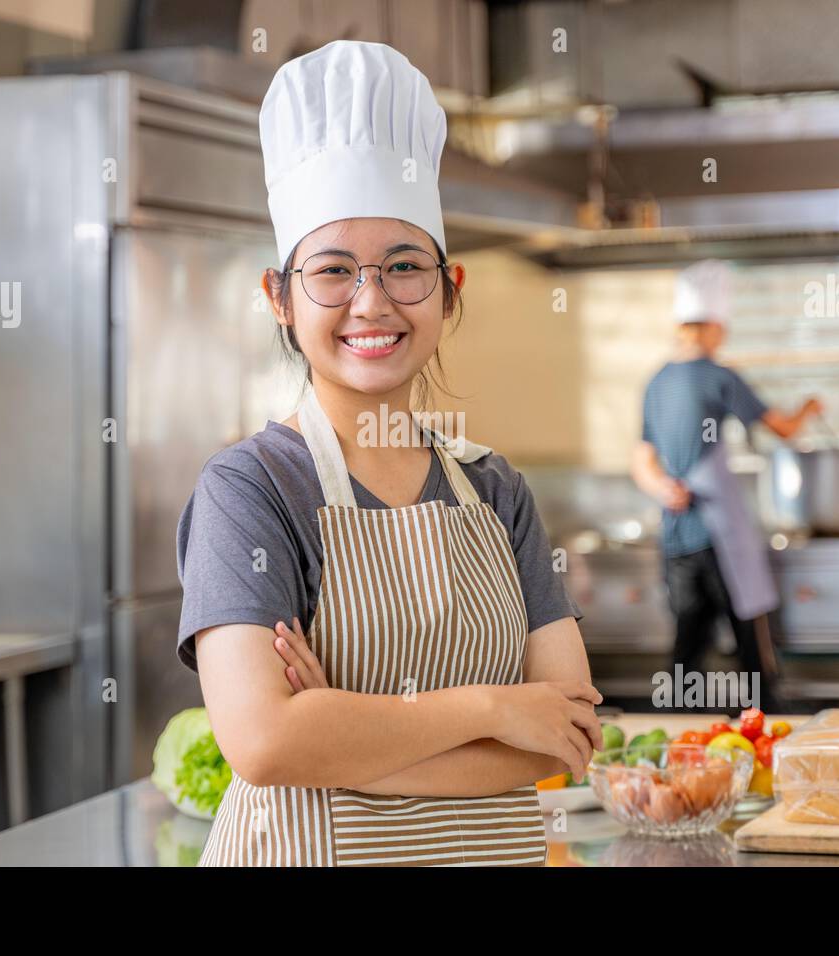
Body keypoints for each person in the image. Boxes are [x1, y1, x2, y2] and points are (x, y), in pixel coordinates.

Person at [175, 40, 601, 867]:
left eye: (405, 265)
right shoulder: (251, 489)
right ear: (279, 297)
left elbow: (566, 737)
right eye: (332, 271)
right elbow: (265, 745)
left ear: (449, 289)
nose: (371, 302)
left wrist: (343, 736)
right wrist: (493, 706)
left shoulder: (495, 488)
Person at [632, 260, 822, 715]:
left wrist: (665, 490)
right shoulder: (720, 376)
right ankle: (766, 733)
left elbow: (642, 460)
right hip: (720, 536)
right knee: (750, 647)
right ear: (713, 325)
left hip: (678, 536)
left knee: (687, 647)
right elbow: (784, 429)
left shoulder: (656, 381)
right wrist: (810, 408)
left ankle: (679, 746)